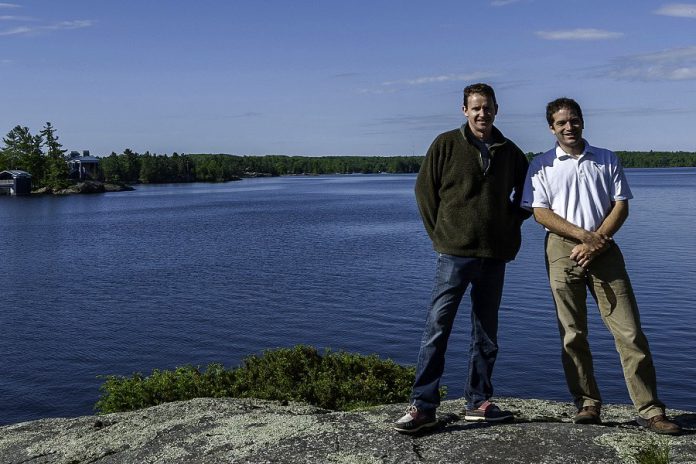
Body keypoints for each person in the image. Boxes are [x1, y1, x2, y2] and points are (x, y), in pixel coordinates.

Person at [521, 97, 681, 435]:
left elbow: (620, 206)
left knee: (630, 331)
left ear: (582, 121)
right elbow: (540, 212)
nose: (569, 127)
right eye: (561, 122)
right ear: (552, 128)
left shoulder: (606, 159)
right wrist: (583, 237)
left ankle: (650, 410)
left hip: (605, 249)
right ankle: (587, 403)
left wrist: (597, 241)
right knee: (572, 333)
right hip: (562, 250)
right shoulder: (541, 165)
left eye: (574, 120)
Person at [394, 83, 530, 433]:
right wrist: (441, 235)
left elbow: (530, 195)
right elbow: (424, 192)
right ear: (464, 110)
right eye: (475, 108)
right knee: (437, 328)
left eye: (487, 108)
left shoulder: (510, 152)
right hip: (454, 254)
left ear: (497, 110)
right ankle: (423, 406)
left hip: (494, 255)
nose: (482, 113)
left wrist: (509, 223)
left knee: (486, 332)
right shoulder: (445, 144)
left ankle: (479, 401)